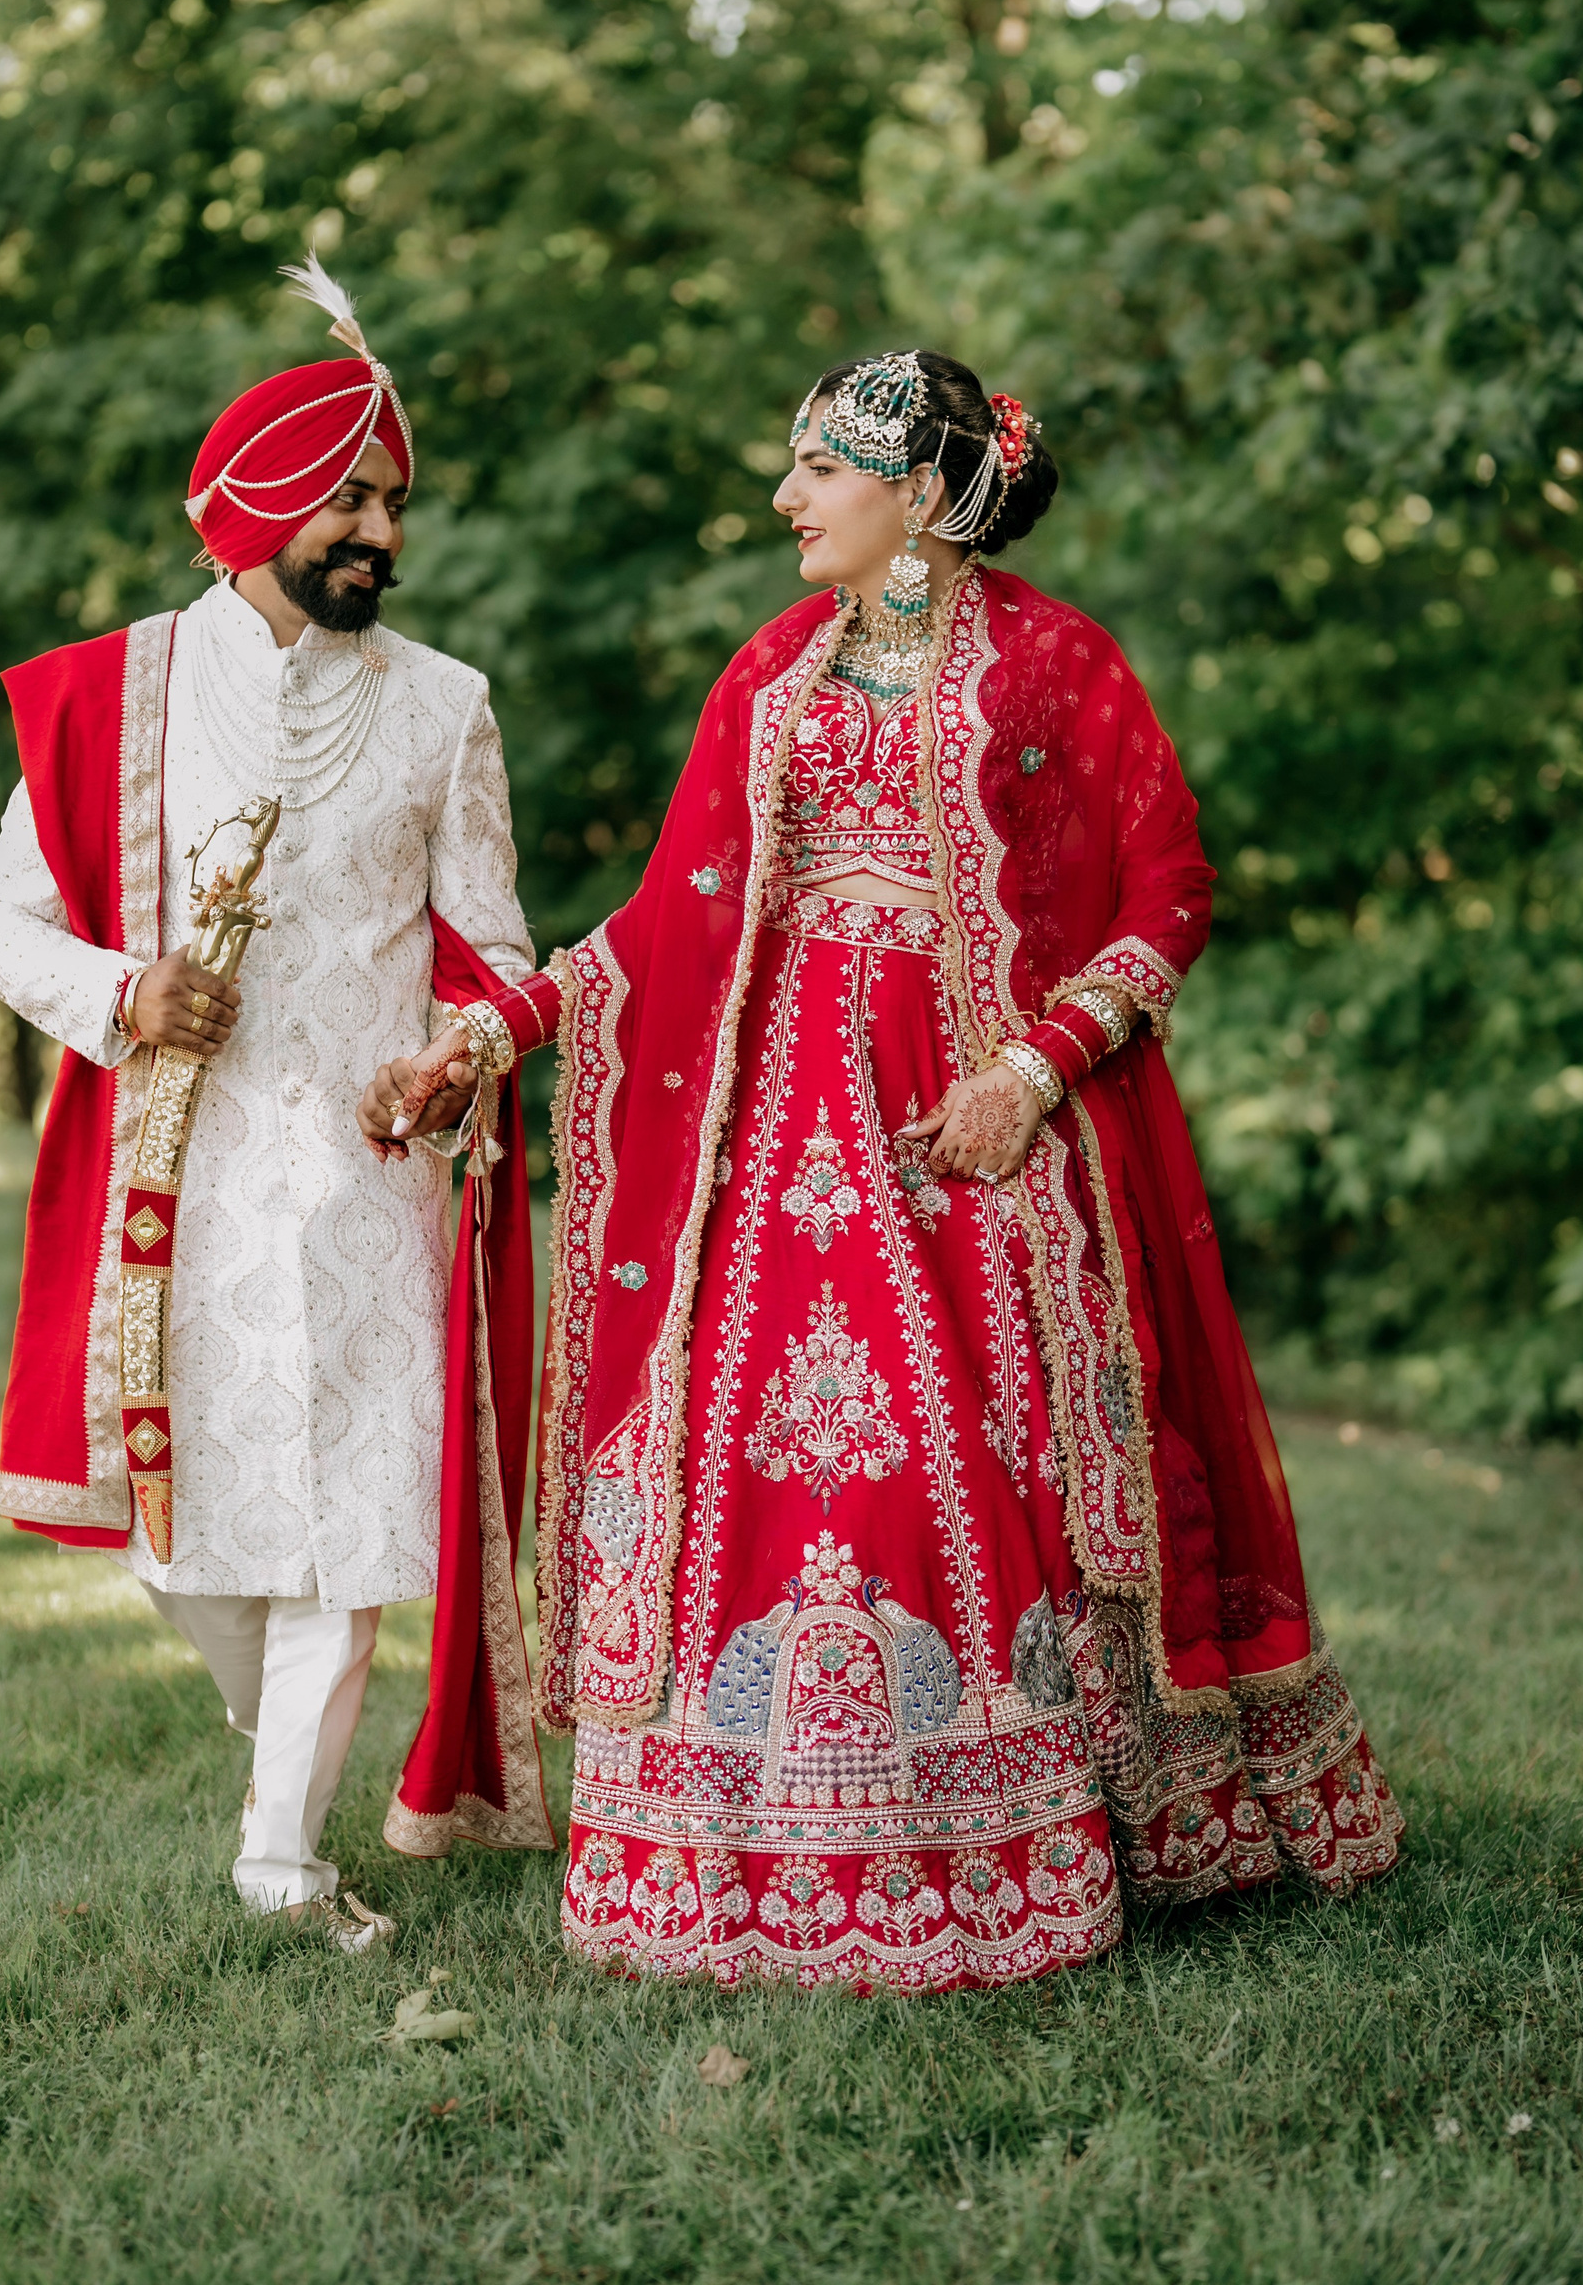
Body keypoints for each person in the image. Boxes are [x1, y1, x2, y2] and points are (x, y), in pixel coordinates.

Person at [365, 350, 1403, 1992]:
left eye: (818, 471)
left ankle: (1031, 1829)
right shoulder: (774, 669)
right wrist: (493, 1038)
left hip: (974, 1136)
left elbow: (1170, 896)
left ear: (920, 494)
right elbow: (663, 930)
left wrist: (1031, 1071)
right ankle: (730, 1844)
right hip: (777, 1146)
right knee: (773, 1472)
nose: (786, 499)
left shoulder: (1061, 666)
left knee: (991, 1460)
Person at [0, 256, 551, 1954]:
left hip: (372, 1182)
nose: (379, 532)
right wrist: (125, 996)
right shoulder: (111, 694)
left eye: (393, 504)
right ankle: (274, 1729)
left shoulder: (446, 708)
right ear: (261, 503)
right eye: (350, 498)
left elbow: (491, 945)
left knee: (347, 1534)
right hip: (183, 1179)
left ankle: (283, 1853)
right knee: (191, 1543)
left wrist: (454, 1053)